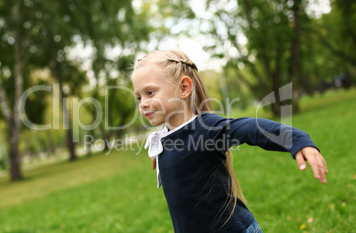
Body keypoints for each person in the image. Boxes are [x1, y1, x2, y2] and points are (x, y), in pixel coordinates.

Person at [131, 49, 327, 233]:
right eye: (138, 97)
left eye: (150, 93)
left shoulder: (207, 127)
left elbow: (251, 129)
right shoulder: (164, 138)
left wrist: (297, 140)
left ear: (184, 88)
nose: (143, 103)